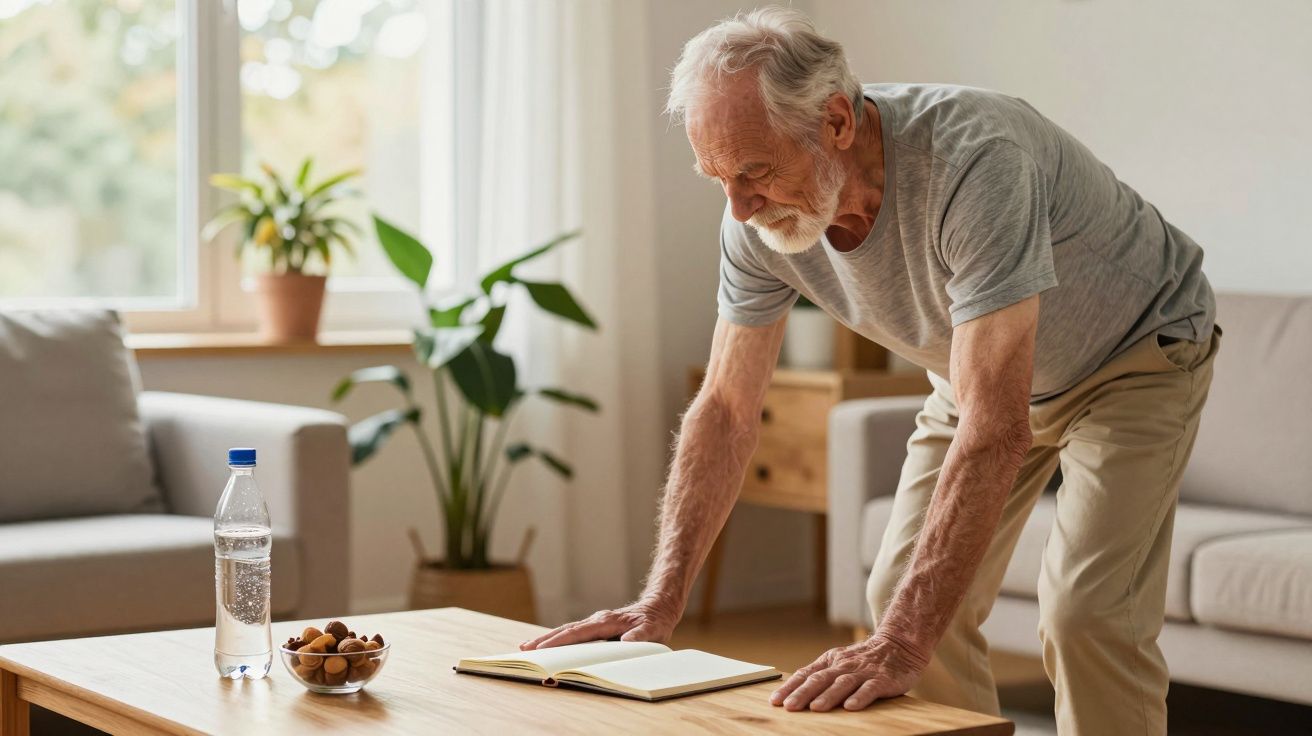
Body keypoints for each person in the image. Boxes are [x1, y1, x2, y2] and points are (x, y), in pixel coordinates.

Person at [522, 7, 1218, 734]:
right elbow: (727, 408)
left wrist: (902, 643)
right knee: (900, 593)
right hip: (974, 374)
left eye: (756, 170)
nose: (738, 204)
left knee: (1086, 613)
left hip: (1134, 356)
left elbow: (998, 427)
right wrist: (660, 603)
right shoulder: (752, 221)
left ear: (837, 124)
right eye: (716, 176)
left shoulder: (974, 162)